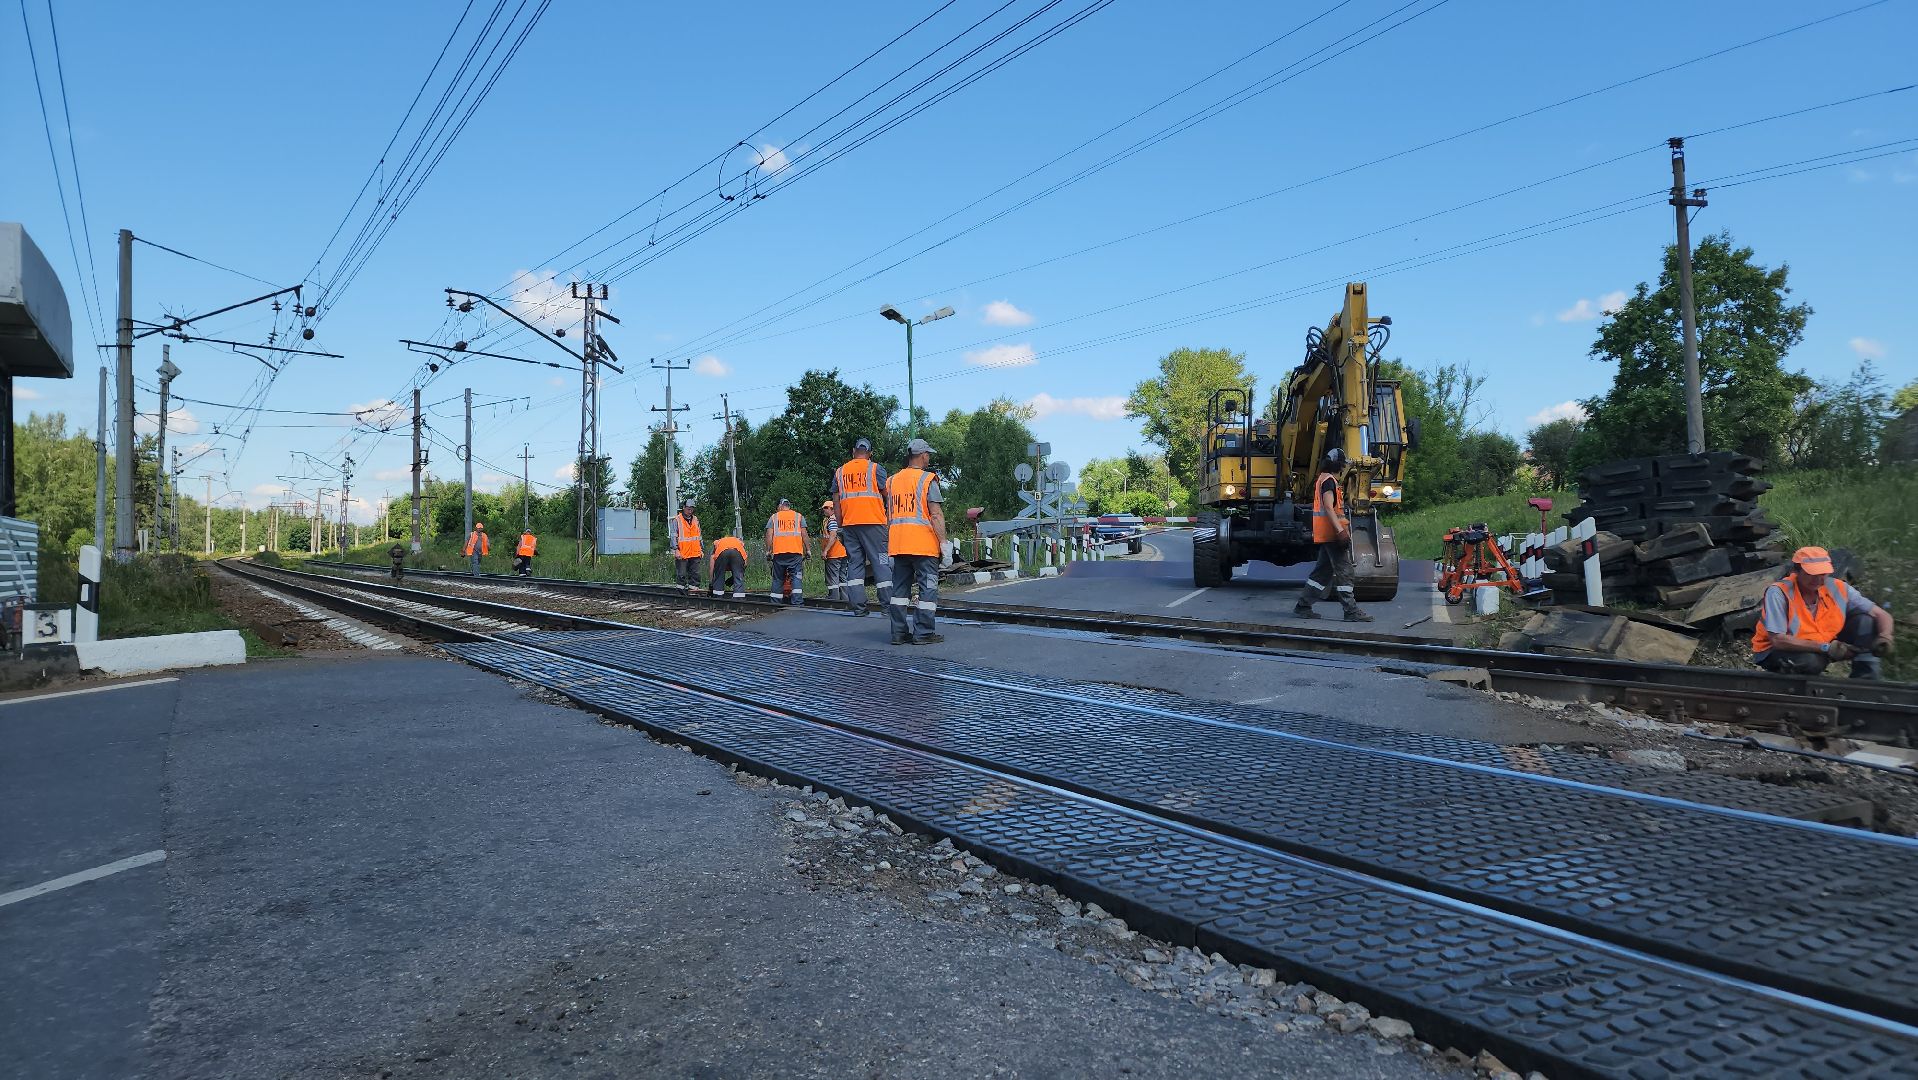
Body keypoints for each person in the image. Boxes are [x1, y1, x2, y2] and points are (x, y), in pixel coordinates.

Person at [1752, 546, 1895, 680]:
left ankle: (1865, 681)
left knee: (1865, 621)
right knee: (1812, 662)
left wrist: (1885, 637)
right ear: (1796, 571)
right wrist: (1826, 648)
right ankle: (1792, 682)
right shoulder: (1778, 592)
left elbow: (1881, 614)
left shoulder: (1838, 588)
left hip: (1821, 644)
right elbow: (1778, 640)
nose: (1817, 579)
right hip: (1775, 650)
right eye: (1811, 574)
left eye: (1822, 574)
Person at [1293, 448, 1373, 622]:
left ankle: (1303, 606)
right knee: (1345, 572)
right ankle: (1351, 611)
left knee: (1321, 573)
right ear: (1339, 465)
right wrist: (1340, 531)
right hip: (1333, 535)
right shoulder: (1329, 481)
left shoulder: (1324, 479)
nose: (1345, 467)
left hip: (1328, 533)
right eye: (1343, 464)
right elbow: (1329, 508)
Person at [886, 438, 949, 645]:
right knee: (928, 589)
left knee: (899, 592)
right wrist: (944, 543)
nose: (928, 457)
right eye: (928, 454)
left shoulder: (892, 481)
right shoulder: (928, 479)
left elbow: (890, 514)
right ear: (922, 456)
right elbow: (936, 514)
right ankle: (923, 633)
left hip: (898, 545)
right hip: (923, 546)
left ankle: (898, 633)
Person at [833, 437, 891, 617]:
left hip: (850, 525)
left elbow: (836, 502)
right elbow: (888, 495)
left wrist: (841, 526)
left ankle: (858, 608)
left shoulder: (840, 472)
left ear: (853, 451)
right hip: (874, 524)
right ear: (870, 453)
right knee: (881, 562)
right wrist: (890, 520)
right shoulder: (875, 469)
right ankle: (888, 607)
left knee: (854, 565)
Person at [765, 497, 811, 606]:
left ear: (780, 506)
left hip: (779, 553)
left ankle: (775, 603)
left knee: (778, 579)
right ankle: (797, 602)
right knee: (796, 577)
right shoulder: (798, 516)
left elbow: (769, 535)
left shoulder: (774, 517)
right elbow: (804, 534)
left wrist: (768, 551)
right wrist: (808, 550)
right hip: (795, 552)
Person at [820, 498, 849, 602]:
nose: (823, 510)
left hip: (834, 554)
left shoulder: (832, 520)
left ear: (831, 508)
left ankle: (834, 599)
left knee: (833, 577)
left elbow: (833, 536)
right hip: (843, 553)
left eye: (825, 508)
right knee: (842, 577)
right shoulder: (840, 519)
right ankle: (845, 599)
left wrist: (825, 551)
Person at [670, 500, 703, 592]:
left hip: (695, 552)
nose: (690, 511)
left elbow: (699, 535)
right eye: (688, 509)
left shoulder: (695, 520)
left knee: (695, 574)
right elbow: (673, 536)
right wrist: (676, 550)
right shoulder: (677, 520)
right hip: (682, 552)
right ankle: (680, 592)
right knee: (682, 574)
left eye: (692, 509)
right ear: (684, 508)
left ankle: (693, 591)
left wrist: (701, 549)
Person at [710, 533, 747, 599]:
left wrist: (711, 582)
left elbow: (712, 565)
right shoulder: (739, 542)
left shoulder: (718, 542)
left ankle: (718, 597)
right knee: (738, 578)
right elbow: (745, 563)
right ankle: (739, 599)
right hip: (737, 552)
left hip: (721, 552)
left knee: (719, 576)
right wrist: (736, 576)